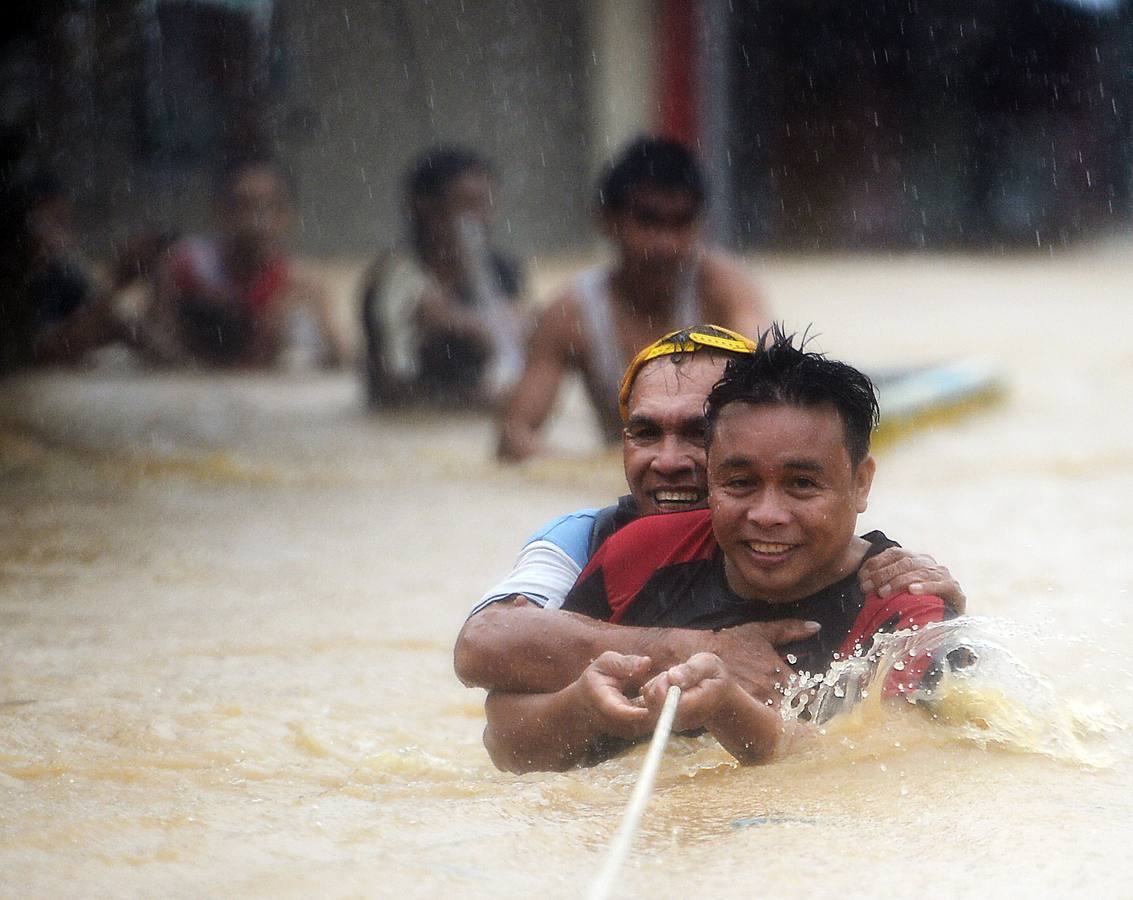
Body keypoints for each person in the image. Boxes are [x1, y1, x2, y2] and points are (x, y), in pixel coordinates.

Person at [481, 326, 956, 772]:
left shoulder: (905, 606)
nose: (767, 513)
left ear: (861, 483)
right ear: (711, 480)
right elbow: (502, 740)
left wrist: (730, 711)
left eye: (802, 484)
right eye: (741, 483)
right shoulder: (639, 551)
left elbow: (895, 765)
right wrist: (581, 709)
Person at [496, 136, 770, 461]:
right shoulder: (570, 314)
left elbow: (768, 400)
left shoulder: (723, 288)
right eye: (648, 220)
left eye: (681, 223)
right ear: (607, 221)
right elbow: (514, 439)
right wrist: (586, 470)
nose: (664, 243)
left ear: (701, 225)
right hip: (627, 484)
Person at [360, 145, 530, 407]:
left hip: (475, 411)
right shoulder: (394, 278)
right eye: (466, 206)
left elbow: (515, 359)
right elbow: (390, 382)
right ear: (425, 207)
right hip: (412, 417)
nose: (480, 219)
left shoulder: (503, 269)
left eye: (485, 204)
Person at [144, 156, 348, 369]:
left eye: (272, 206)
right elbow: (155, 356)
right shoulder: (187, 268)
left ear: (288, 214)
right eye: (245, 206)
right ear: (221, 211)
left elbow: (343, 361)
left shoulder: (300, 287)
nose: (259, 220)